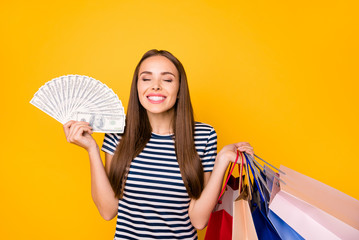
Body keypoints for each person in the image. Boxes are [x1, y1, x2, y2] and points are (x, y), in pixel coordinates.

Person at [63, 49, 254, 239]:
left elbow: (198, 220)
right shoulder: (119, 132)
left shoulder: (204, 135)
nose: (155, 86)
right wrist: (92, 149)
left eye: (167, 80)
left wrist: (221, 161)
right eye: (146, 79)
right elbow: (107, 211)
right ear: (137, 87)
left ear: (179, 89)